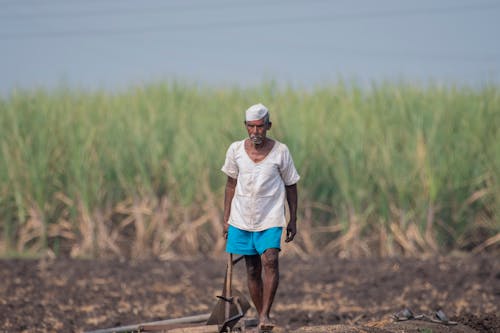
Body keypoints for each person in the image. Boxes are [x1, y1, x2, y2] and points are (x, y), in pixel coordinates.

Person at [221, 103, 300, 331]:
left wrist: (292, 218)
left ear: (268, 126)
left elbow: (291, 185)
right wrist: (226, 218)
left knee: (271, 260)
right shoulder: (235, 150)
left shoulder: (280, 152)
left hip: (271, 217)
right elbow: (230, 185)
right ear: (245, 126)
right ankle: (260, 313)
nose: (255, 132)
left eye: (260, 127)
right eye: (251, 127)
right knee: (253, 269)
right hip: (242, 217)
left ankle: (265, 315)